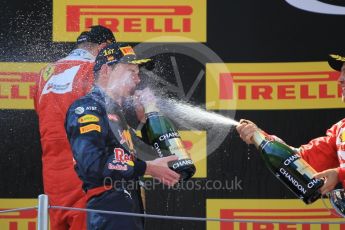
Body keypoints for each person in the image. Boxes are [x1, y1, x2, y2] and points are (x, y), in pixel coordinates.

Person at [64, 43, 180, 230]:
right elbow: (92, 164)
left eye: (138, 73)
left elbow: (158, 155)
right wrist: (147, 168)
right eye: (130, 71)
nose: (137, 79)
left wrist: (147, 119)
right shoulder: (88, 108)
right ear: (105, 70)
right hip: (109, 210)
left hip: (130, 209)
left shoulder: (118, 117)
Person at [34, 25, 116, 230]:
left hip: (53, 178)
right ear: (104, 47)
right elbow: (115, 118)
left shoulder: (44, 74)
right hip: (86, 170)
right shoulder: (95, 71)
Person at [236, 52, 345, 196]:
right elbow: (301, 160)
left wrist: (339, 173)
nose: (340, 79)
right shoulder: (340, 130)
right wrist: (259, 137)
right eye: (342, 73)